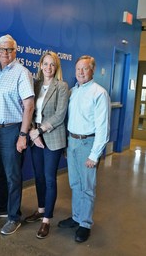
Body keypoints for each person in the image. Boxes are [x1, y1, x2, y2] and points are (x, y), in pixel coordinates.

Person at [0, 34, 34, 235]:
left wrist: (23, 134)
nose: (5, 53)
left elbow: (28, 106)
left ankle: (14, 216)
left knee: (13, 175)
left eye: (9, 49)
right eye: (2, 49)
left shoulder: (22, 73)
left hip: (13, 130)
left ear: (15, 51)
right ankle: (1, 207)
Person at [58, 55, 110, 243]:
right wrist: (66, 145)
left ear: (92, 70)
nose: (80, 72)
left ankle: (85, 224)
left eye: (85, 68)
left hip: (88, 144)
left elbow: (103, 128)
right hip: (72, 142)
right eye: (78, 68)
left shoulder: (99, 93)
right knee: (75, 184)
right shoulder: (72, 92)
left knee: (87, 187)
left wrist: (94, 155)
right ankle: (76, 217)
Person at [24, 51, 69, 239]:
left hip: (53, 139)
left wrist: (39, 131)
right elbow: (31, 111)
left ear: (56, 67)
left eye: (52, 64)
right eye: (46, 64)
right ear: (40, 65)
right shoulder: (35, 85)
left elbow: (60, 115)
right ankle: (41, 209)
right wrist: (34, 134)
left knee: (50, 179)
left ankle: (47, 220)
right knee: (39, 178)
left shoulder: (62, 86)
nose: (48, 68)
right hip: (36, 139)